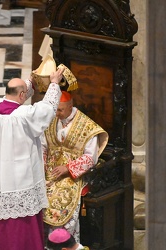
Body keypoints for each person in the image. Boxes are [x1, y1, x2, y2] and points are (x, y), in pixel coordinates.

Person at [0, 67, 65, 250]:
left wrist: (31, 81)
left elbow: (18, 94)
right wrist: (54, 84)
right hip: (17, 176)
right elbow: (45, 110)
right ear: (22, 95)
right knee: (18, 218)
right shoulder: (24, 115)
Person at [41, 91, 108, 243]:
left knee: (57, 199)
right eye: (55, 109)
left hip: (72, 176)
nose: (57, 113)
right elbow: (43, 147)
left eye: (60, 110)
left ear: (70, 106)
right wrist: (41, 167)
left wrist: (68, 168)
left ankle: (61, 243)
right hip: (49, 172)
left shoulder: (87, 126)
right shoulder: (51, 119)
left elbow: (91, 158)